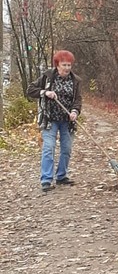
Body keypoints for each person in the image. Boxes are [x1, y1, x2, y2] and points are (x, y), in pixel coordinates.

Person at [27, 50, 82, 193]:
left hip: (66, 121)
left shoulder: (75, 81)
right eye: (64, 64)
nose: (67, 68)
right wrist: (45, 92)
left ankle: (61, 176)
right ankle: (46, 179)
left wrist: (75, 111)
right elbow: (30, 90)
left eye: (69, 65)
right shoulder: (47, 77)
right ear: (57, 65)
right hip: (49, 120)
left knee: (67, 149)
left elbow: (77, 100)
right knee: (48, 148)